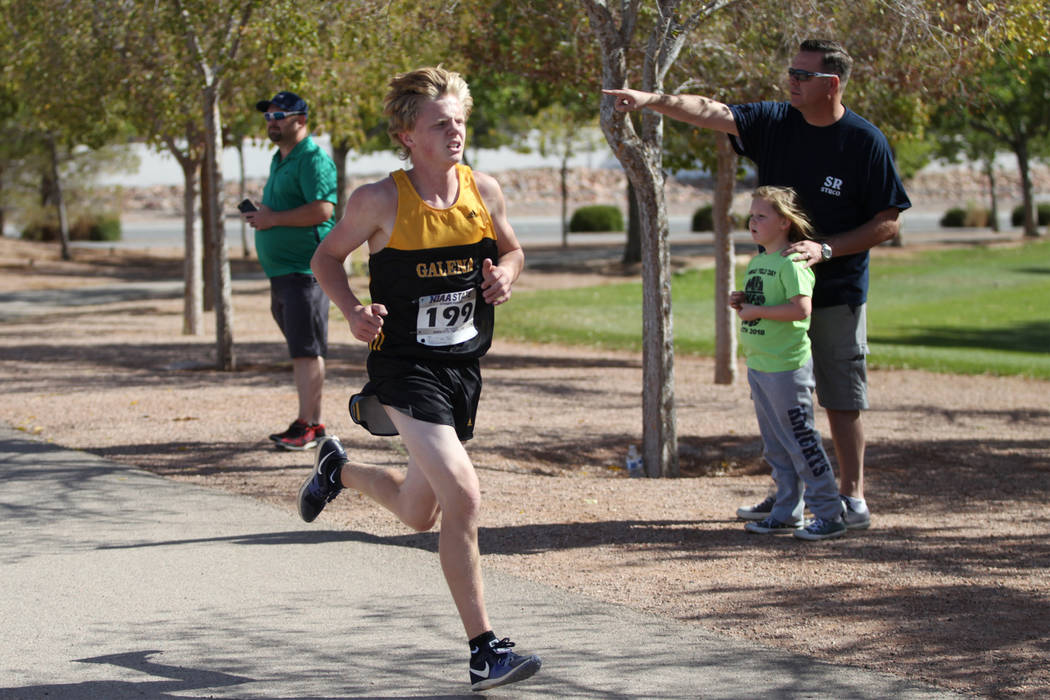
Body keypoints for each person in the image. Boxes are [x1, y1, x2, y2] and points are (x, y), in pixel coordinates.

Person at [296, 66, 540, 692]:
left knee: (417, 511)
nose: (455, 130)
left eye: (459, 119)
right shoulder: (378, 200)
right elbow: (326, 256)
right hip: (403, 366)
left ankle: (337, 471)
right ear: (408, 134)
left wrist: (508, 273)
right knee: (464, 494)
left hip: (462, 367)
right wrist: (351, 310)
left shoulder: (483, 190)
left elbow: (512, 249)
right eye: (440, 123)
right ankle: (486, 650)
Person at [604, 39, 912, 530]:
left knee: (840, 397)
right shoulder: (775, 121)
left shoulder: (863, 141)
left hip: (836, 291)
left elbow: (888, 221)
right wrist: (652, 100)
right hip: (773, 293)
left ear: (831, 84)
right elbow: (712, 111)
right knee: (777, 398)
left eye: (802, 74)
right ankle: (787, 495)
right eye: (790, 70)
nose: (791, 80)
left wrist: (825, 249)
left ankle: (851, 497)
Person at [731, 186, 846, 541]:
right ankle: (786, 513)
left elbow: (801, 309)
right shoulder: (758, 261)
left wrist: (759, 311)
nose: (753, 221)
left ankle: (829, 513)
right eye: (751, 215)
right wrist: (744, 301)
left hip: (786, 368)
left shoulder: (792, 262)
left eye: (761, 216)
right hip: (760, 365)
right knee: (776, 445)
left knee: (801, 442)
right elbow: (765, 303)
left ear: (784, 222)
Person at [243, 91, 338, 451]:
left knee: (306, 350)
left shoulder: (314, 159)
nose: (272, 121)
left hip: (305, 270)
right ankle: (311, 423)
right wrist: (263, 216)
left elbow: (323, 211)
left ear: (301, 119)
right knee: (302, 349)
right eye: (268, 116)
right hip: (281, 272)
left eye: (280, 115)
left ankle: (309, 426)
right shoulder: (279, 158)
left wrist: (274, 219)